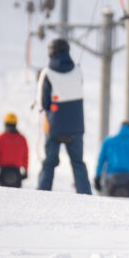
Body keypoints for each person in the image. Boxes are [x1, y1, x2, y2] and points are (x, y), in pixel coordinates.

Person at [36, 38, 92, 195]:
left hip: (54, 125)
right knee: (78, 163)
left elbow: (42, 102)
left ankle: (42, 192)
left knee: (49, 162)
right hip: (76, 126)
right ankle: (85, 194)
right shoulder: (78, 70)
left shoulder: (47, 73)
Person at [94, 121, 129, 198]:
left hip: (112, 180)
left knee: (111, 206)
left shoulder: (108, 141)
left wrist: (97, 177)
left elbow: (100, 161)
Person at [0, 112, 29, 187]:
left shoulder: (0, 138)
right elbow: (25, 156)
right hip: (16, 173)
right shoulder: (22, 138)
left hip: (3, 172)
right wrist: (25, 170)